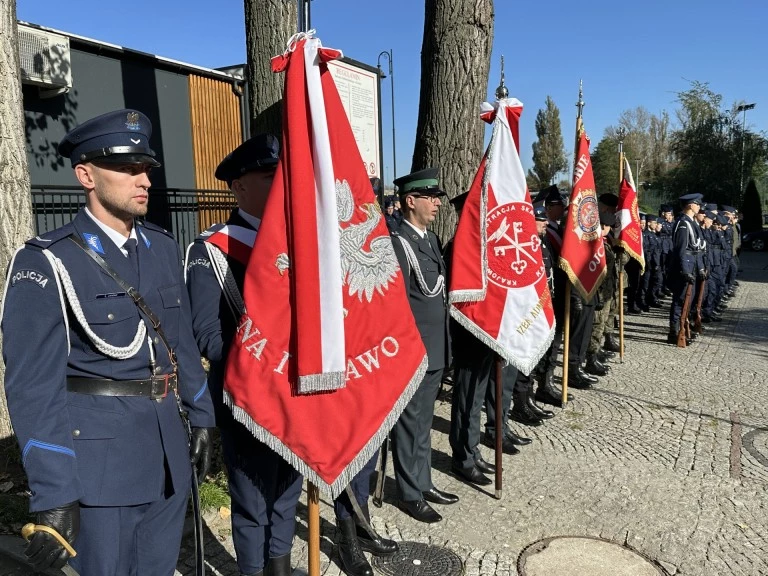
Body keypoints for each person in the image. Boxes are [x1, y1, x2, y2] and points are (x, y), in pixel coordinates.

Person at [1, 109, 215, 575]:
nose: (143, 179)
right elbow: (33, 388)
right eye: (126, 167)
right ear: (86, 175)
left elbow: (178, 342)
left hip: (166, 455)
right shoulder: (48, 262)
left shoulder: (161, 246)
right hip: (101, 468)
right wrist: (54, 491)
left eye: (146, 168)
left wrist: (202, 417)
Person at [185, 134, 306, 576]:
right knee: (253, 500)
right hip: (248, 397)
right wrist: (268, 352)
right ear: (239, 187)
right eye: (269, 175)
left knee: (288, 493)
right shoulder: (212, 249)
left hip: (295, 394)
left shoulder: (300, 243)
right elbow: (208, 336)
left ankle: (280, 566)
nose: (281, 184)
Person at [390, 167, 457, 524]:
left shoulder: (428, 239)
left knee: (424, 420)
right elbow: (398, 305)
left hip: (435, 346)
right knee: (410, 421)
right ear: (410, 200)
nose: (437, 204)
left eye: (437, 198)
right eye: (430, 197)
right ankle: (409, 492)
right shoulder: (398, 243)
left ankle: (424, 481)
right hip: (414, 349)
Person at [667, 193, 706, 345]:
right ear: (690, 205)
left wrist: (700, 268)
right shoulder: (683, 223)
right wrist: (685, 270)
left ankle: (683, 327)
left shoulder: (691, 222)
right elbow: (681, 249)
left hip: (692, 266)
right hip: (685, 267)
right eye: (697, 204)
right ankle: (674, 331)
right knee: (680, 300)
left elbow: (697, 249)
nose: (699, 207)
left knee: (688, 300)